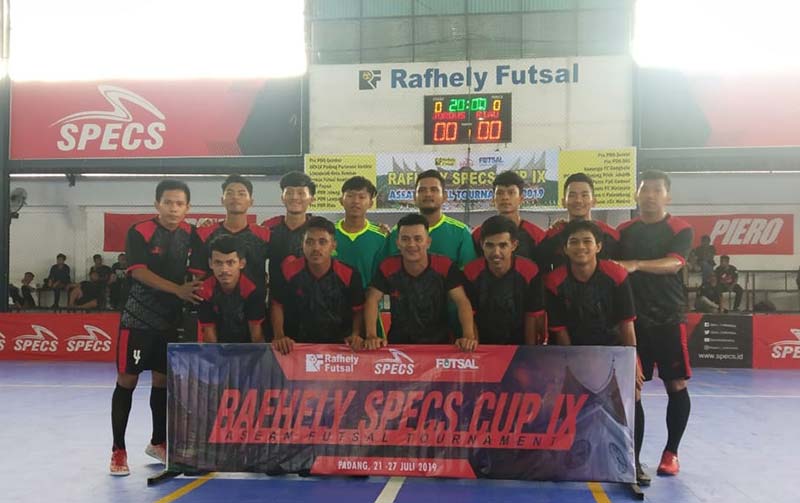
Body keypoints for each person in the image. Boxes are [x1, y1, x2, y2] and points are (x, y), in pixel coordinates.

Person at [110, 180, 203, 476]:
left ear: (187, 208)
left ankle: (158, 442)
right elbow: (139, 272)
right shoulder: (140, 231)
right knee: (127, 382)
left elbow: (198, 273)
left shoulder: (192, 234)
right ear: (157, 204)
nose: (173, 208)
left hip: (171, 322)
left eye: (179, 203)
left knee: (163, 384)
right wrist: (178, 289)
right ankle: (118, 451)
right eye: (168, 202)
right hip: (138, 320)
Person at [545, 219, 645, 482]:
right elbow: (560, 330)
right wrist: (572, 368)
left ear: (599, 246)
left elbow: (626, 325)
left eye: (587, 241)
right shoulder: (554, 281)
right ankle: (568, 459)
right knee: (567, 401)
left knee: (632, 399)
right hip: (574, 349)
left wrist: (632, 363)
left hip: (614, 348)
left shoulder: (616, 275)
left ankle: (634, 462)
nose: (581, 247)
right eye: (574, 242)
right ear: (565, 249)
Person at [617, 170, 693, 481]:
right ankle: (632, 459)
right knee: (633, 391)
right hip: (633, 321)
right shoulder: (624, 231)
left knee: (675, 384)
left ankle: (671, 452)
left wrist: (636, 265)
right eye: (644, 189)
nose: (650, 194)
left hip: (668, 319)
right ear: (636, 195)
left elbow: (675, 263)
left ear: (667, 196)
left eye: (656, 190)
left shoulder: (680, 228)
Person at [364, 213, 477, 351]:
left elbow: (461, 301)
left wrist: (468, 336)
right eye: (405, 239)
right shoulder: (388, 267)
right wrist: (371, 335)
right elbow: (372, 299)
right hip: (399, 346)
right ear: (397, 243)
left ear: (428, 242)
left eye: (418, 239)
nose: (411, 244)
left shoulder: (445, 266)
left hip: (441, 345)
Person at [271, 217, 365, 354]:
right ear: (302, 244)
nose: (316, 248)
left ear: (333, 245)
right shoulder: (288, 270)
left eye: (322, 242)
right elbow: (276, 305)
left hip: (339, 350)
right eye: (309, 242)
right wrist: (279, 336)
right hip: (295, 349)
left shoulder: (349, 274)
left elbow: (359, 309)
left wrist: (356, 334)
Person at [464, 215, 545, 345]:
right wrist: (476, 352)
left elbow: (532, 315)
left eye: (503, 245)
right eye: (490, 245)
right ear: (481, 245)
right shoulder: (470, 272)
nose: (496, 252)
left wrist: (529, 351)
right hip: (483, 343)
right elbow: (470, 315)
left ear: (514, 245)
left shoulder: (530, 271)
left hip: (519, 344)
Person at [191, 174, 271, 294]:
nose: (235, 197)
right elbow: (198, 277)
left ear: (251, 201)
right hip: (212, 305)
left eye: (241, 193)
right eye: (230, 193)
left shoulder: (265, 235)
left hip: (254, 305)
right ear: (222, 200)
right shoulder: (204, 233)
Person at [383, 169, 476, 268]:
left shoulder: (461, 232)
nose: (428, 194)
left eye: (434, 189)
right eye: (422, 190)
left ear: (444, 196)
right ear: (414, 197)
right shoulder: (398, 232)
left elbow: (468, 272)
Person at [333, 176, 388, 338]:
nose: (355, 201)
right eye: (350, 195)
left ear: (371, 203)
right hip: (331, 310)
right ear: (341, 200)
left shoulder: (380, 236)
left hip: (367, 311)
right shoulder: (328, 235)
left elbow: (383, 277)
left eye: (362, 197)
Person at [537, 173, 620, 272]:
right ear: (563, 202)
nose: (578, 200)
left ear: (594, 201)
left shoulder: (611, 236)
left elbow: (620, 271)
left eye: (584, 195)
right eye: (572, 195)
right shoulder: (551, 237)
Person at [197, 235, 265, 343]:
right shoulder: (203, 289)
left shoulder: (253, 289)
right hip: (218, 343)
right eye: (218, 263)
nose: (224, 269)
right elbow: (209, 335)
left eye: (230, 263)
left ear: (242, 263)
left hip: (247, 343)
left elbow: (256, 335)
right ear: (210, 264)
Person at [471, 171, 545, 264]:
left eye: (511, 192)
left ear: (521, 198)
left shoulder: (537, 235)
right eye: (500, 193)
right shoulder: (478, 234)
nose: (505, 197)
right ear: (493, 199)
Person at [263, 171, 315, 294]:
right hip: (276, 301)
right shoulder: (269, 227)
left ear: (312, 199)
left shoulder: (318, 228)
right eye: (289, 192)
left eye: (301, 193)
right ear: (282, 198)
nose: (295, 197)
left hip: (313, 300)